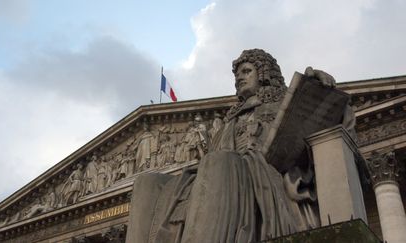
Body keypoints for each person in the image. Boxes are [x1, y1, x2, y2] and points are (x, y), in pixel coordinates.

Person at [127, 49, 342, 243]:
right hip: (218, 178)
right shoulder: (229, 120)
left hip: (262, 174)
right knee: (147, 182)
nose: (240, 77)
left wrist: (319, 90)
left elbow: (332, 123)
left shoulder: (284, 103)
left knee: (218, 160)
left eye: (247, 71)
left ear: (265, 74)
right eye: (237, 74)